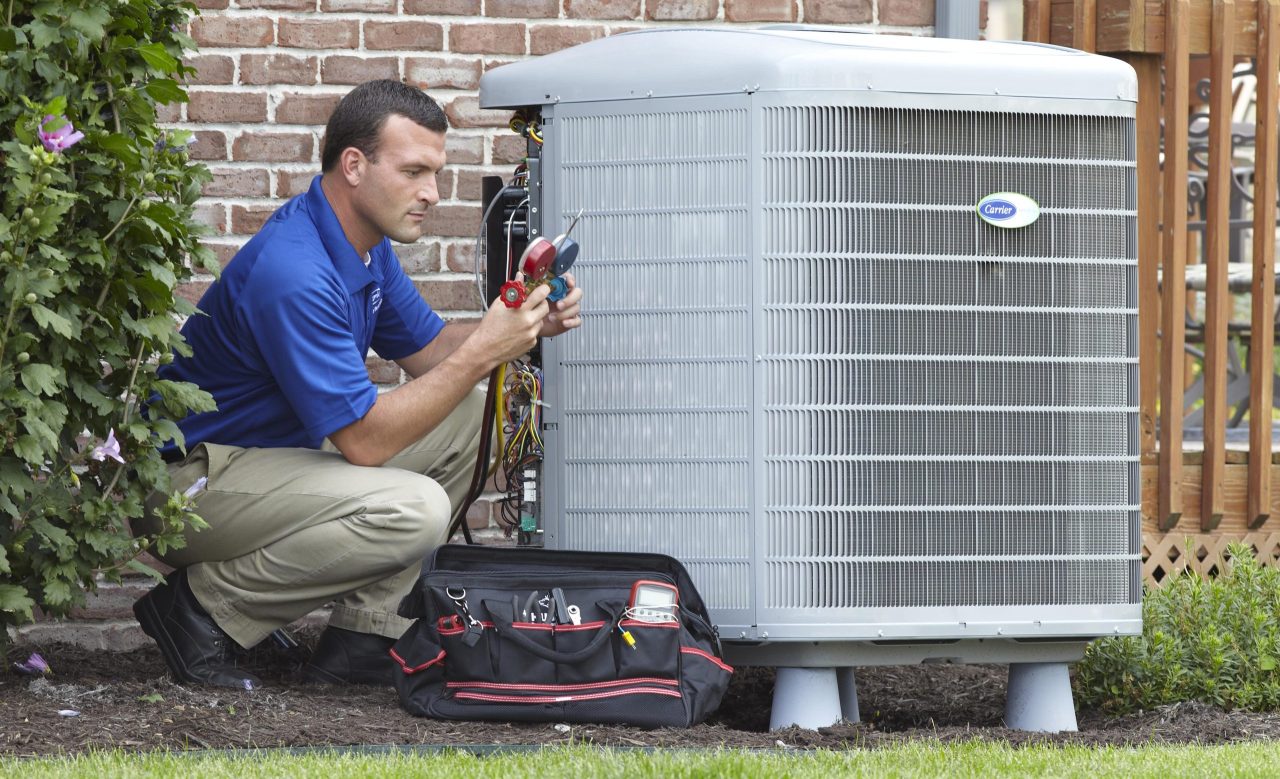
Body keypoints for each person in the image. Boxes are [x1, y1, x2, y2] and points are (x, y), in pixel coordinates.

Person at [131, 80, 582, 690]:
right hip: (187, 488)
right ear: (354, 166)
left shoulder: (362, 247)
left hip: (265, 461)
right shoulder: (295, 270)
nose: (431, 194)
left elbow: (429, 355)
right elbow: (365, 444)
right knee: (412, 509)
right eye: (414, 172)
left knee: (480, 415)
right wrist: (483, 350)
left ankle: (364, 638)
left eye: (437, 174)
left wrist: (524, 324)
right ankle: (200, 610)